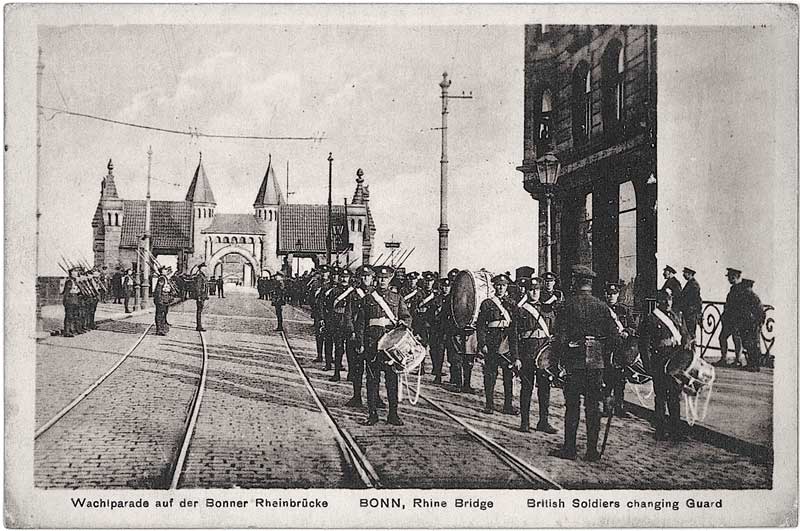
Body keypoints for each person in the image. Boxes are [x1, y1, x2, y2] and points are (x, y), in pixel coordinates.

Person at [550, 265, 619, 462]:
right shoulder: (602, 306)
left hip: (574, 364)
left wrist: (557, 364)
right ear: (590, 284)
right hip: (596, 365)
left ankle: (570, 449)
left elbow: (560, 339)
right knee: (593, 407)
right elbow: (614, 339)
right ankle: (591, 451)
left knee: (572, 407)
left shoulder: (566, 306)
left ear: (575, 282)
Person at [355, 265, 411, 426]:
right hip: (372, 345)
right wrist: (360, 343)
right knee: (372, 381)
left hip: (390, 347)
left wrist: (404, 323)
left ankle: (393, 414)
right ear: (375, 279)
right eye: (379, 278)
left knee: (392, 381)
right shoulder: (367, 299)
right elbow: (360, 323)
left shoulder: (397, 298)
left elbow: (407, 318)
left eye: (385, 278)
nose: (382, 281)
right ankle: (372, 414)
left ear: (390, 279)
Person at [639, 287, 689, 441]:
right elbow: (644, 344)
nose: (667, 302)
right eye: (664, 299)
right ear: (658, 301)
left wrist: (685, 347)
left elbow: (685, 334)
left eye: (670, 299)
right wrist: (648, 366)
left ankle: (676, 430)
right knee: (660, 396)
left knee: (674, 395)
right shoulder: (651, 319)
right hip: (659, 362)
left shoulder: (676, 316)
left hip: (674, 362)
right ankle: (660, 430)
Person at [515, 277, 557, 434]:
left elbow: (554, 333)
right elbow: (514, 336)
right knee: (526, 388)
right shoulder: (520, 310)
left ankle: (543, 422)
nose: (534, 292)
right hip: (526, 355)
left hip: (544, 356)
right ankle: (525, 422)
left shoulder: (547, 310)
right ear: (527, 291)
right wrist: (516, 357)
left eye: (537, 290)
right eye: (532, 290)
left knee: (545, 389)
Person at [476, 273, 519, 415]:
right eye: (499, 285)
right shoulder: (487, 303)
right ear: (494, 286)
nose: (501, 288)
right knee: (490, 375)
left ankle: (508, 405)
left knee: (508, 376)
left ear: (507, 287)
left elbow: (514, 327)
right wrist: (482, 343)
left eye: (504, 285)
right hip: (492, 342)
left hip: (507, 343)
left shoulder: (512, 304)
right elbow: (481, 325)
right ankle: (489, 404)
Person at [602, 282, 636, 418]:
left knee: (620, 379)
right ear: (606, 294)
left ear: (618, 295)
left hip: (620, 349)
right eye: (609, 294)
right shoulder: (601, 309)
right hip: (606, 349)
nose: (611, 296)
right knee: (606, 379)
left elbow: (633, 326)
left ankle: (619, 407)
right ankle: (606, 407)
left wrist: (627, 331)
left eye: (614, 294)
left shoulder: (624, 310)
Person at [345, 265, 375, 406]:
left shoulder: (377, 295)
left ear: (372, 278)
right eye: (363, 276)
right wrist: (351, 331)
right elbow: (349, 315)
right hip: (357, 336)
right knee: (357, 369)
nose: (365, 279)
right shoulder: (353, 294)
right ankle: (357, 397)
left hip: (372, 337)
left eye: (368, 276)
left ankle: (376, 398)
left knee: (373, 370)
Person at [326, 268, 354, 381]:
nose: (343, 279)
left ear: (349, 278)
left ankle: (351, 374)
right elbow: (329, 307)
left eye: (346, 277)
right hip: (337, 323)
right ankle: (336, 373)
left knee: (350, 350)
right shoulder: (334, 291)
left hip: (349, 323)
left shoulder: (354, 291)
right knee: (338, 349)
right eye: (342, 276)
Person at [717, 267, 745, 367]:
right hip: (729, 319)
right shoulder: (733, 288)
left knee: (736, 339)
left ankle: (738, 360)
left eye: (730, 277)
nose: (728, 279)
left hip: (736, 320)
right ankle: (724, 359)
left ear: (735, 277)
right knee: (722, 337)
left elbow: (740, 306)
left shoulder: (740, 289)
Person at [739, 279, 765, 371]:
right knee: (747, 344)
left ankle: (755, 365)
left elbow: (761, 313)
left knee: (753, 345)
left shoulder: (753, 297)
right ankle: (750, 364)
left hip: (752, 326)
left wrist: (757, 324)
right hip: (746, 325)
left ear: (749, 287)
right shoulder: (745, 297)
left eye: (745, 287)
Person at [311, 266, 332, 363]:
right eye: (322, 272)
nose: (324, 274)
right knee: (319, 335)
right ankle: (319, 355)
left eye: (326, 272)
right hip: (318, 314)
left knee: (329, 337)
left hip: (329, 314)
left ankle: (330, 357)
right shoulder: (316, 284)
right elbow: (311, 297)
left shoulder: (332, 285)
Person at [681, 267, 702, 347]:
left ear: (689, 274)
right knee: (688, 333)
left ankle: (692, 352)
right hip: (688, 312)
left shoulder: (694, 285)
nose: (683, 275)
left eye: (685, 273)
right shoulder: (690, 283)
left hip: (691, 313)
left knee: (691, 333)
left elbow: (695, 300)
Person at [154, 266, 174, 336]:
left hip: (165, 298)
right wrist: (159, 300)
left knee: (163, 314)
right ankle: (159, 330)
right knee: (160, 314)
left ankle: (162, 328)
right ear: (162, 271)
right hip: (162, 299)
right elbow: (159, 290)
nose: (166, 271)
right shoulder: (162, 279)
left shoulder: (165, 278)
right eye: (164, 270)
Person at [62, 267, 82, 337]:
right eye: (75, 271)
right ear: (71, 273)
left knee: (73, 316)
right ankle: (66, 332)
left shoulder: (75, 281)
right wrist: (66, 302)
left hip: (75, 300)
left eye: (76, 271)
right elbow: (66, 292)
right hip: (70, 301)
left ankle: (71, 330)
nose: (76, 273)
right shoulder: (69, 281)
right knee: (69, 316)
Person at [194, 263, 209, 332]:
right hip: (200, 296)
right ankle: (199, 326)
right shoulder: (200, 276)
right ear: (201, 269)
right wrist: (199, 296)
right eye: (204, 268)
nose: (205, 269)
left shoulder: (203, 276)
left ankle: (199, 325)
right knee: (199, 311)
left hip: (202, 296)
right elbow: (198, 287)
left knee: (200, 311)